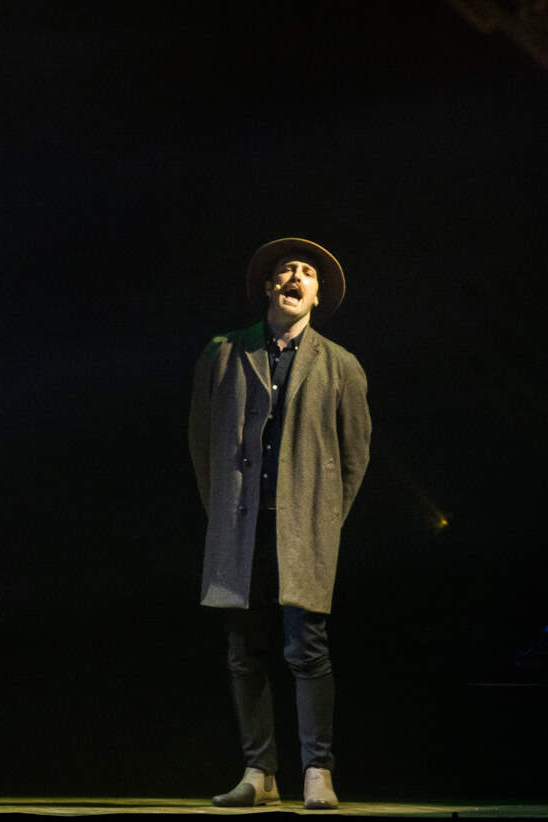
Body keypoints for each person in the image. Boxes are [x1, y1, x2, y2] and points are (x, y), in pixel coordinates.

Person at [188, 237, 371, 811]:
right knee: (243, 649)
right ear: (269, 287)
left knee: (306, 648)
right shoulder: (224, 351)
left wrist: (325, 519)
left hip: (304, 528)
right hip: (239, 527)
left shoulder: (340, 364)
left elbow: (354, 455)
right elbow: (201, 440)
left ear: (316, 296)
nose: (295, 276)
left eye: (307, 273)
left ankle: (318, 770)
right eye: (286, 270)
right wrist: (222, 511)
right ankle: (259, 771)